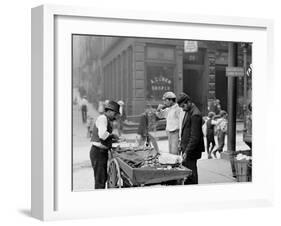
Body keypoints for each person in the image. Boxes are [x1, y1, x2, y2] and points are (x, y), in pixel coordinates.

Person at [89, 100, 120, 189]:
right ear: (109, 111)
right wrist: (112, 135)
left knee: (102, 178)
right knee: (100, 180)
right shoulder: (102, 118)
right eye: (115, 113)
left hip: (101, 152)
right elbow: (102, 135)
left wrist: (113, 140)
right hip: (98, 152)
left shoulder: (106, 119)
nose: (115, 116)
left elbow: (104, 138)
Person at [177, 92, 205, 184]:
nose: (183, 109)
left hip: (191, 151)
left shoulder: (195, 114)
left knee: (191, 174)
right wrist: (181, 144)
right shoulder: (189, 110)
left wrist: (187, 151)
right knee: (188, 173)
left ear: (188, 102)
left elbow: (195, 137)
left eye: (183, 106)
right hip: (187, 149)